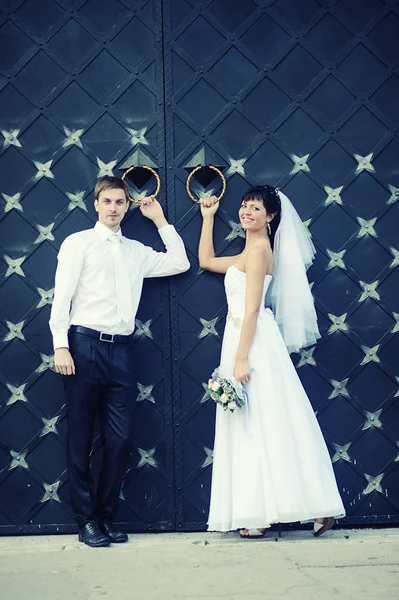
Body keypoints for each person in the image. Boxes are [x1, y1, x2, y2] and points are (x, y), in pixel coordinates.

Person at [50, 175, 190, 547]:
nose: (113, 208)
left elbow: (179, 262)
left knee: (120, 439)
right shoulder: (77, 243)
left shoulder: (135, 250)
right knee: (80, 437)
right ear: (95, 204)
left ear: (128, 207)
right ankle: (86, 521)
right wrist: (60, 344)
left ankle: (106, 516)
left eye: (120, 202)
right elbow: (61, 297)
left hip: (121, 351)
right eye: (107, 201)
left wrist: (160, 222)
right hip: (82, 346)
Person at [198, 185, 345, 538]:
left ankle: (281, 511)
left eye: (256, 208)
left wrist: (240, 358)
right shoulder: (248, 250)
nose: (247, 211)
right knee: (257, 422)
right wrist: (207, 219)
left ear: (271, 216)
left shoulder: (260, 250)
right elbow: (205, 261)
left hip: (251, 343)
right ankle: (263, 511)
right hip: (243, 338)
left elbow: (250, 310)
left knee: (263, 421)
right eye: (245, 206)